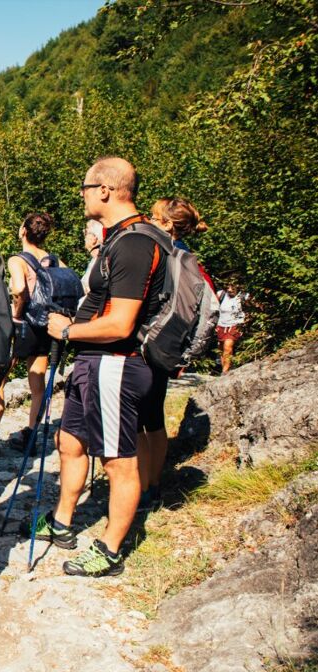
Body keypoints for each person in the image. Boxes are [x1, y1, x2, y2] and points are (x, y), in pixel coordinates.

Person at [34, 156, 166, 577]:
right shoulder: (120, 238)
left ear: (105, 191)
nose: (83, 195)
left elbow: (122, 322)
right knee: (70, 443)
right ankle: (61, 522)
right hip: (95, 364)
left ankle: (108, 551)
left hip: (115, 365)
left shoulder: (134, 244)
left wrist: (69, 331)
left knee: (117, 461)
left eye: (86, 188)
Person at [135, 197, 210, 510]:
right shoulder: (188, 257)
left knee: (138, 421)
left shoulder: (161, 253)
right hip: (169, 344)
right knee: (154, 417)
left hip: (145, 342)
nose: (150, 221)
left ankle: (139, 487)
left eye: (154, 217)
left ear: (167, 224)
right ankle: (154, 485)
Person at [0, 213, 68, 454]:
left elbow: (19, 288)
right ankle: (31, 434)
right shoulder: (56, 261)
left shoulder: (18, 260)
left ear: (23, 231)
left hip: (23, 325)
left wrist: (16, 314)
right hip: (45, 326)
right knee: (37, 383)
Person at [216, 282, 246, 374]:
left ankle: (224, 372)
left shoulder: (244, 296)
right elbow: (213, 308)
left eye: (232, 288)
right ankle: (225, 369)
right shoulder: (221, 294)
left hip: (235, 325)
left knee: (227, 347)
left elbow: (256, 307)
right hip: (221, 324)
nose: (229, 290)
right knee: (221, 349)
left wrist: (245, 322)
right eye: (227, 287)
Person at [80, 218, 104, 299]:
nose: (83, 232)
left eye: (86, 232)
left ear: (94, 238)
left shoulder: (100, 263)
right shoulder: (95, 260)